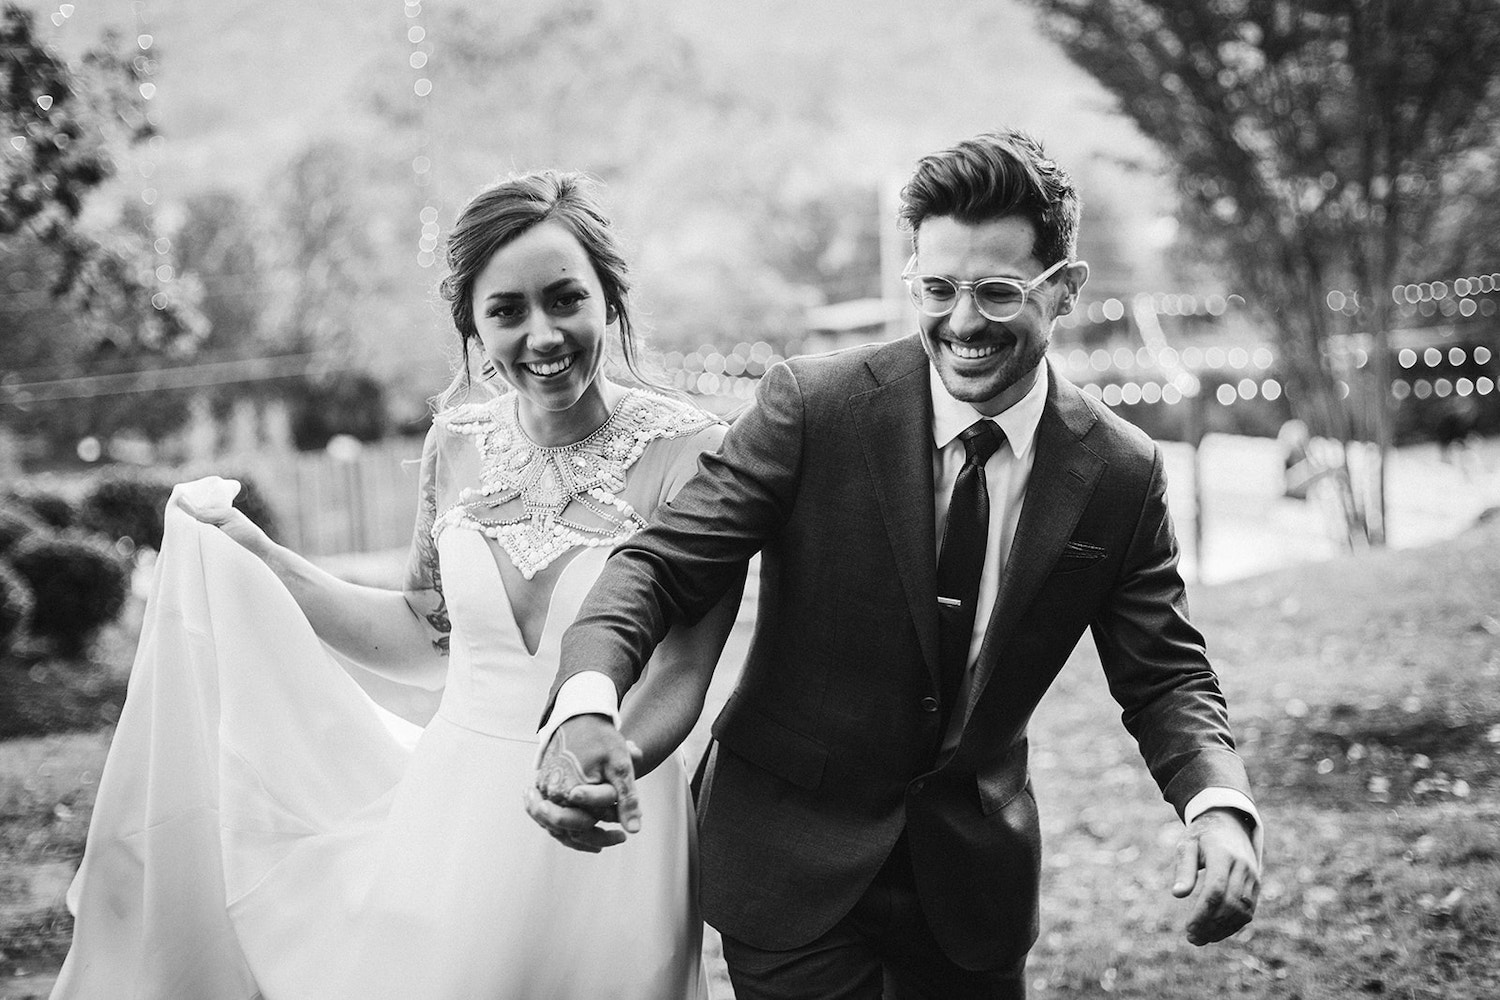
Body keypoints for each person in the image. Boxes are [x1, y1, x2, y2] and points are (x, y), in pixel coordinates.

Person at [528, 129, 1264, 999]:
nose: (961, 322)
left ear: (1063, 291)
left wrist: (1217, 806)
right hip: (788, 865)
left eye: (996, 292)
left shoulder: (1121, 472)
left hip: (972, 890)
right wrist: (586, 700)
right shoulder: (812, 406)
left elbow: (1165, 674)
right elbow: (659, 567)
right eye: (938, 288)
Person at [52, 170, 741, 1000]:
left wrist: (604, 768)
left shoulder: (695, 453)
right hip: (451, 817)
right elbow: (425, 633)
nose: (544, 333)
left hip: (613, 811)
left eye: (566, 299)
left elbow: (681, 673)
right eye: (507, 310)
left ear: (610, 299)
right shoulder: (456, 444)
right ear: (473, 327)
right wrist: (261, 558)